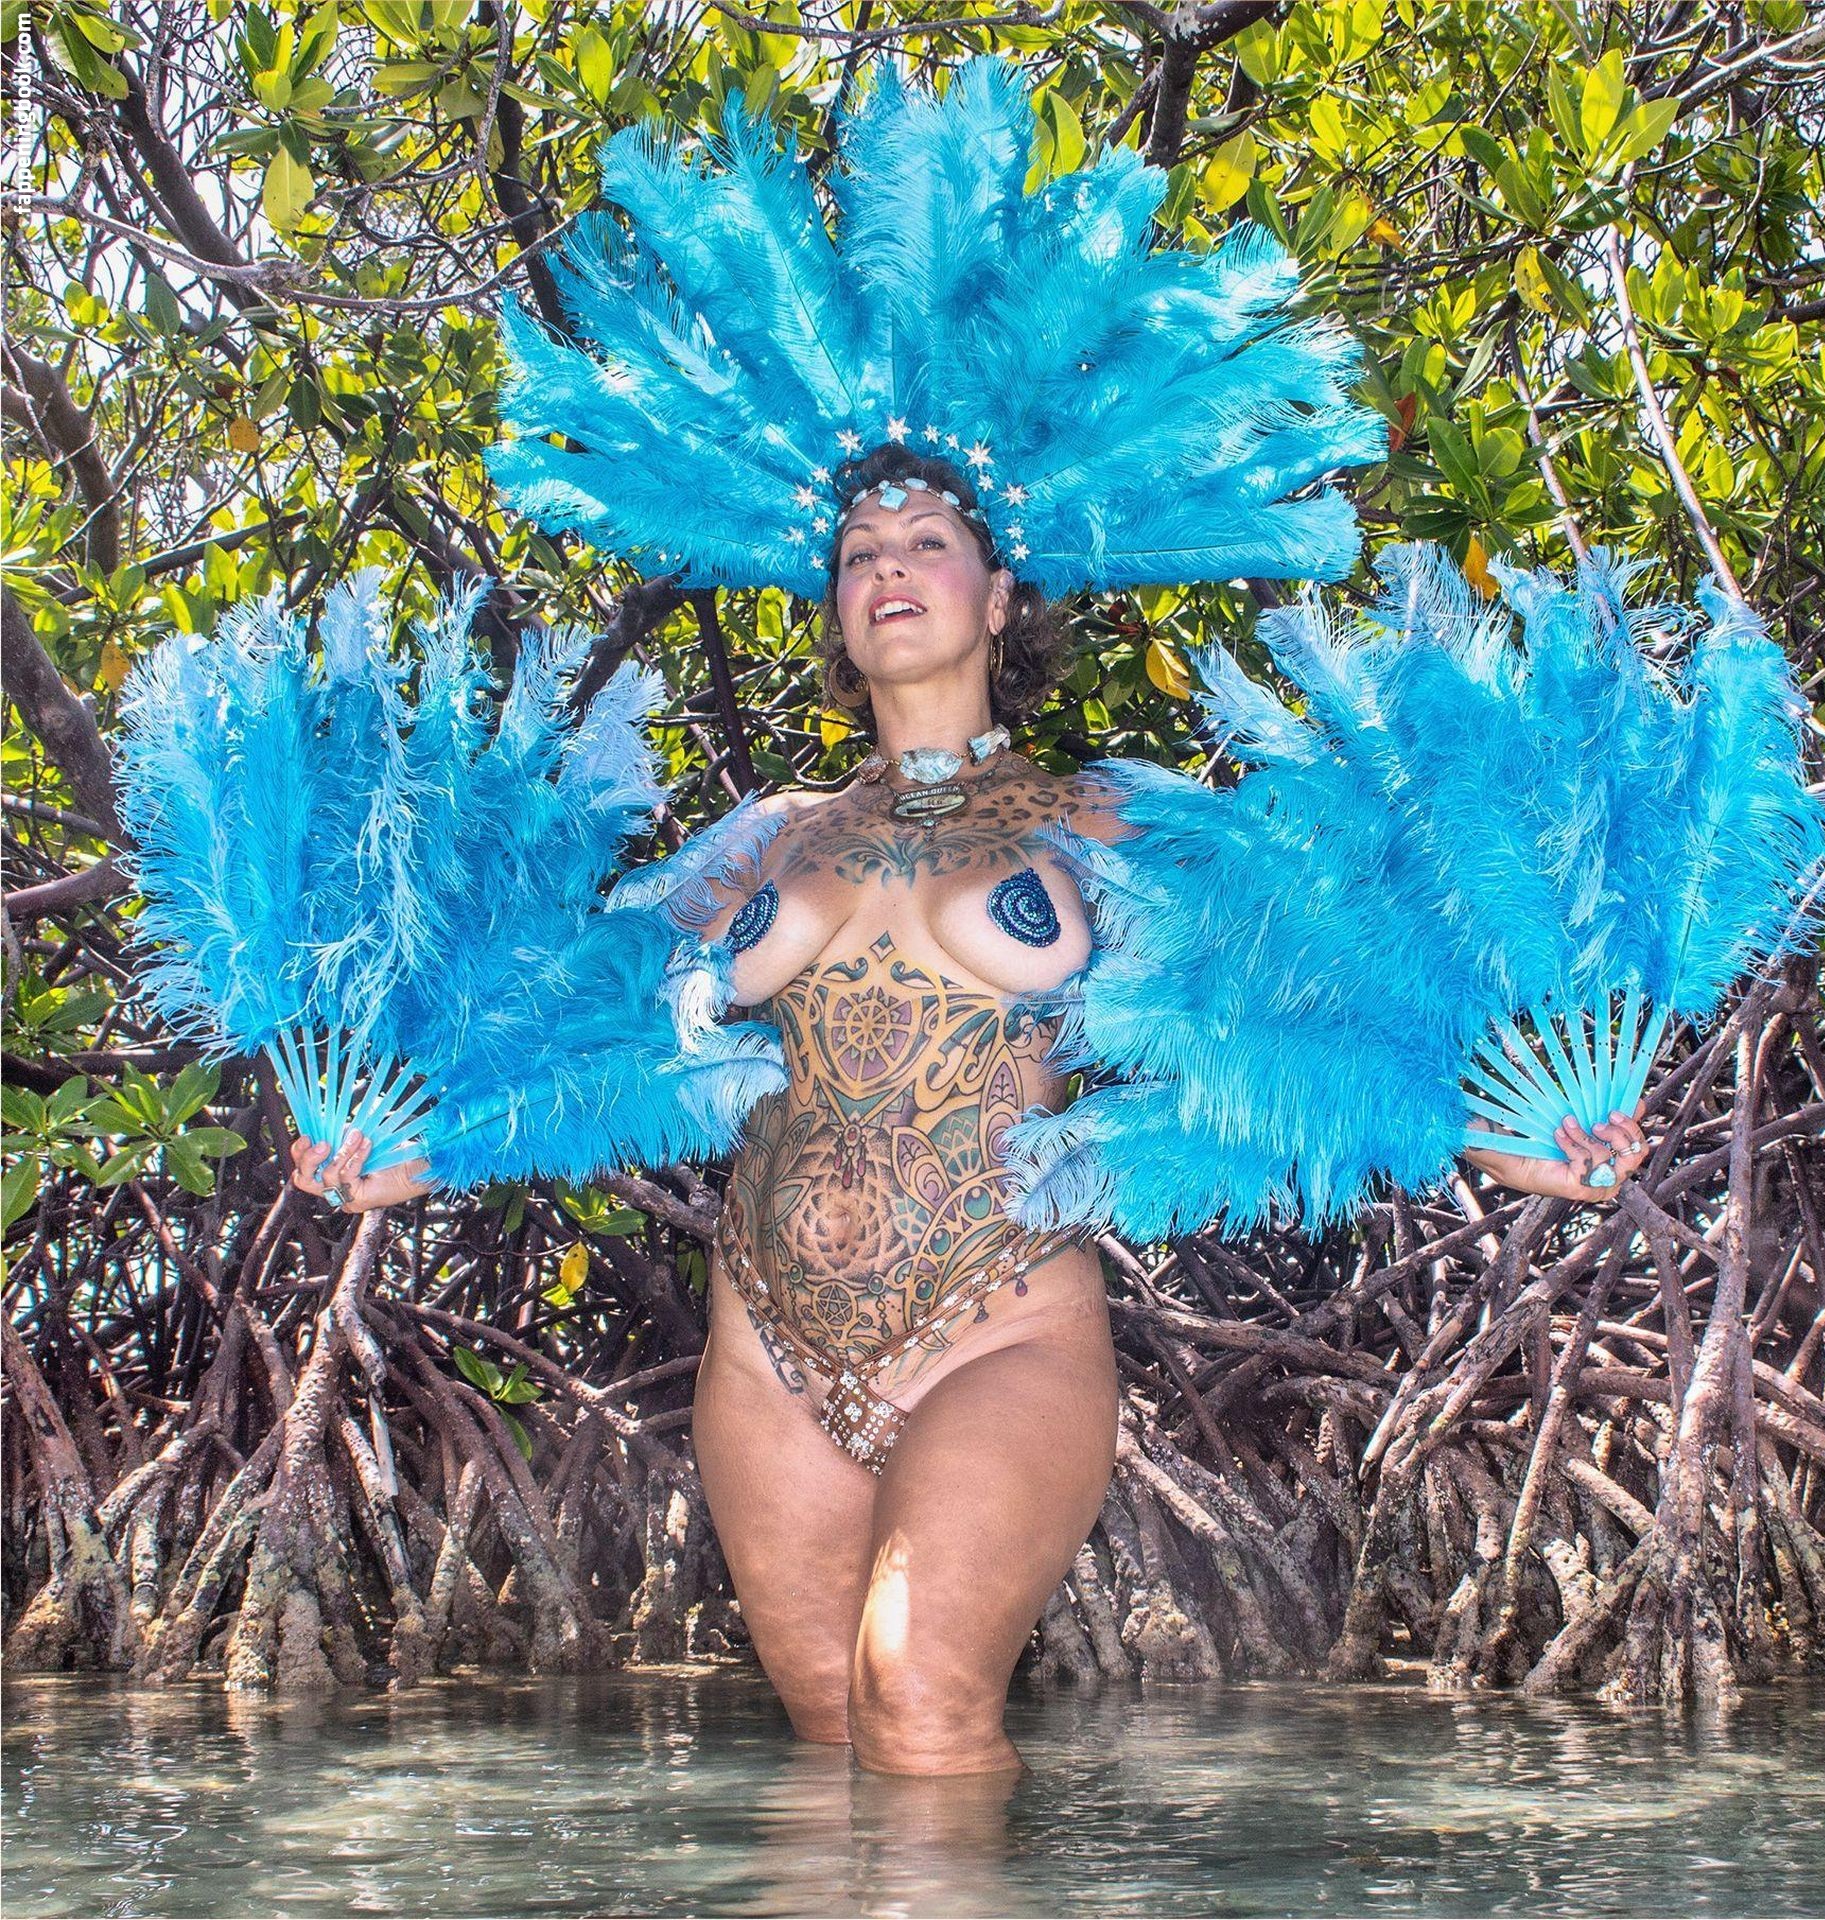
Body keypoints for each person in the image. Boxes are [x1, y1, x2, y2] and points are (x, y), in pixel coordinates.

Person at [290, 439, 1652, 1775]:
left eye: (926, 542)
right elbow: (584, 1013)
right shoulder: (768, 835)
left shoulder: (1091, 817)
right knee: (832, 1747)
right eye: (858, 553)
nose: (888, 566)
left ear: (998, 599)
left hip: (999, 1334)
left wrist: (1492, 1136)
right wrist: (429, 1144)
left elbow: (1292, 1002)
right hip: (766, 1360)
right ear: (837, 608)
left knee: (921, 1711)